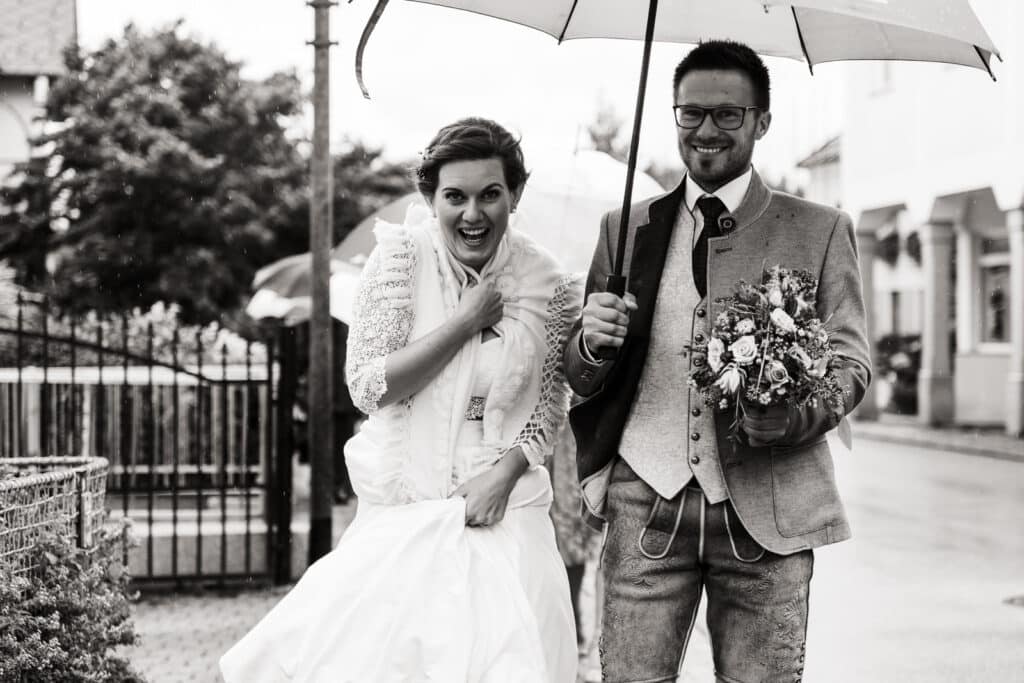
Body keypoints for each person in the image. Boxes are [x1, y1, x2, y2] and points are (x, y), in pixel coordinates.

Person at [221, 117, 581, 682]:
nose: (473, 214)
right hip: (408, 503)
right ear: (429, 197)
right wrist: (463, 323)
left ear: (515, 193)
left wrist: (505, 475)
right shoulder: (400, 259)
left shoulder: (548, 281)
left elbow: (548, 405)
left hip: (504, 508)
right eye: (454, 197)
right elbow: (369, 387)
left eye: (491, 195)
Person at [563, 41, 871, 682]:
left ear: (761, 121)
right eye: (691, 113)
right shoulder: (624, 227)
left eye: (728, 115)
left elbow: (849, 364)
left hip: (769, 515)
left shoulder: (819, 228)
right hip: (645, 499)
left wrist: (793, 417)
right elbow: (582, 374)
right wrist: (591, 341)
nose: (706, 130)